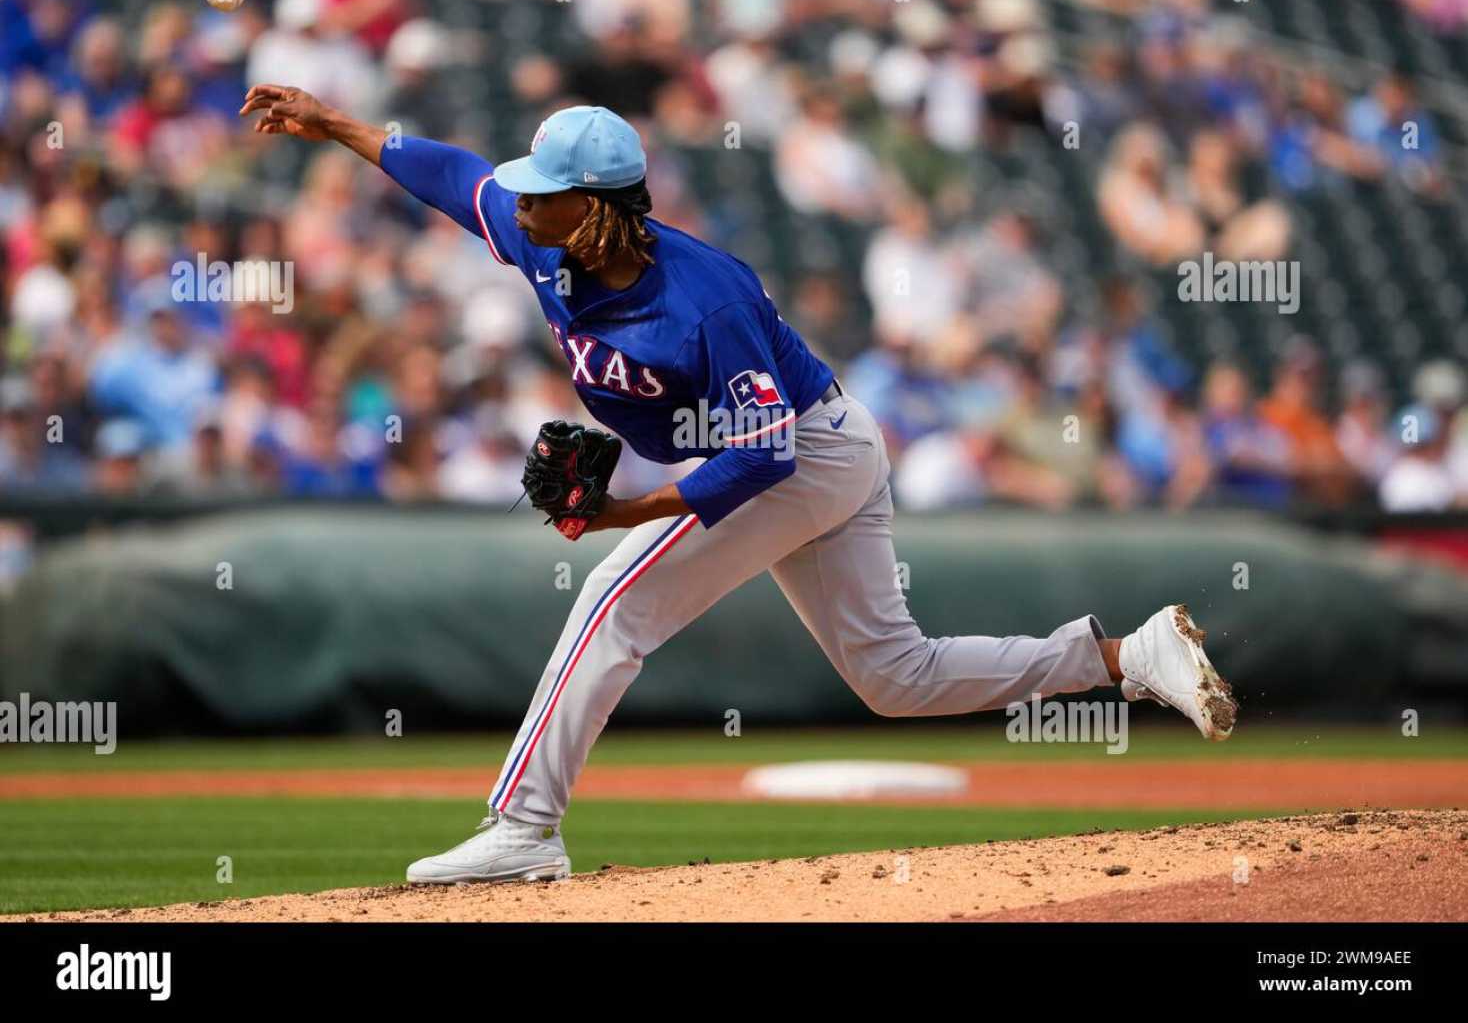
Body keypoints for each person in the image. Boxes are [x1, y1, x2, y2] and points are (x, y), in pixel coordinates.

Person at [240, 85, 1240, 884]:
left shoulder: (701, 300)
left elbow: (763, 458)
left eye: (546, 190)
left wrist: (625, 511)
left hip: (805, 452)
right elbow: (453, 177)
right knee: (896, 678)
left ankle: (524, 828)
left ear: (597, 209)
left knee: (610, 605)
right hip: (823, 446)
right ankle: (1123, 658)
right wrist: (331, 124)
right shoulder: (546, 238)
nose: (523, 201)